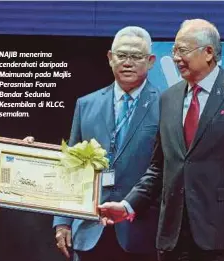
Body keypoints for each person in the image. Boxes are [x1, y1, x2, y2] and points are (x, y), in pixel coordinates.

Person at [99, 19, 224, 261]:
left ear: (209, 52)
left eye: (183, 50)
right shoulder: (168, 98)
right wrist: (128, 206)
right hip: (172, 235)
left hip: (221, 233)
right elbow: (159, 168)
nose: (176, 58)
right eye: (174, 51)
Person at [52, 26, 161, 261]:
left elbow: (165, 170)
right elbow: (70, 168)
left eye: (136, 56)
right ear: (110, 58)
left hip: (141, 233)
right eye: (122, 55)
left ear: (151, 61)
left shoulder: (165, 106)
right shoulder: (86, 104)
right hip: (89, 232)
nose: (128, 62)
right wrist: (62, 221)